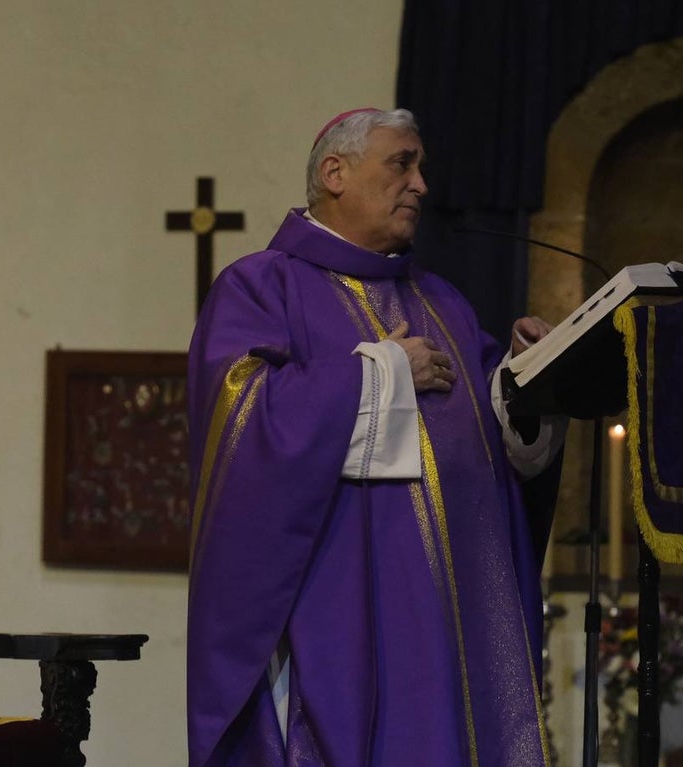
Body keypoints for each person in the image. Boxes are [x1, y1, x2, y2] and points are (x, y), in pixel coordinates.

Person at [186, 107, 567, 766]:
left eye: (421, 167)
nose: (421, 184)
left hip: (454, 625)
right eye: (402, 163)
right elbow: (243, 418)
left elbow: (495, 434)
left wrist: (529, 380)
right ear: (335, 173)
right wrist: (386, 372)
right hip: (342, 615)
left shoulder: (442, 302)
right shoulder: (260, 287)